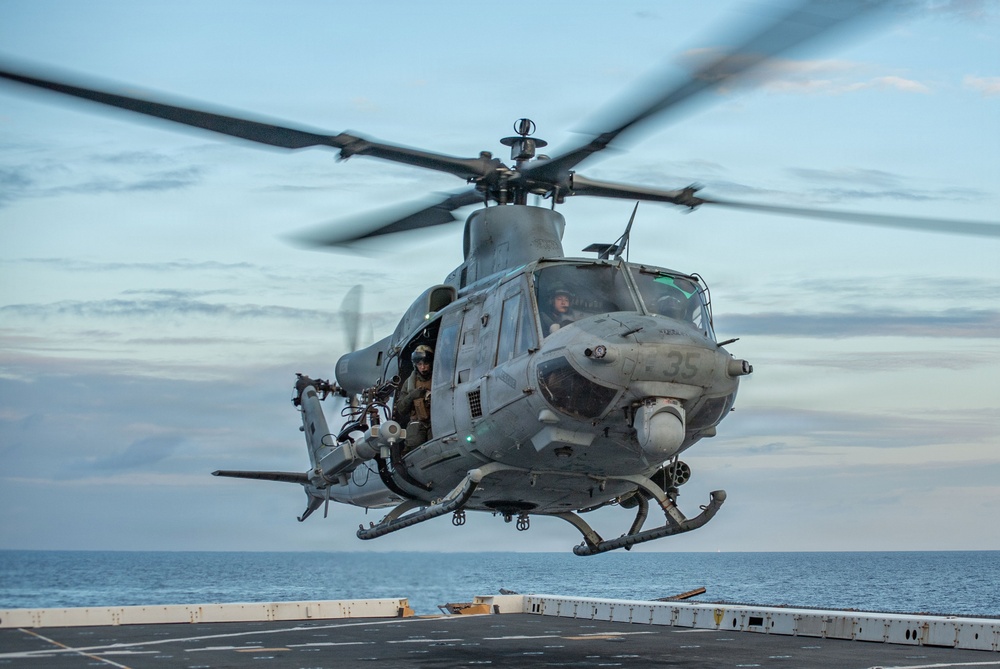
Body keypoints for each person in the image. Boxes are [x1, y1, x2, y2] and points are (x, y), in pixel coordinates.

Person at [394, 345, 433, 450]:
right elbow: (401, 409)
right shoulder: (409, 383)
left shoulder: (438, 377)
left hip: (435, 421)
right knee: (414, 443)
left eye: (426, 363)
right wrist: (411, 396)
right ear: (415, 365)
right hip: (417, 422)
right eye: (419, 364)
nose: (423, 367)